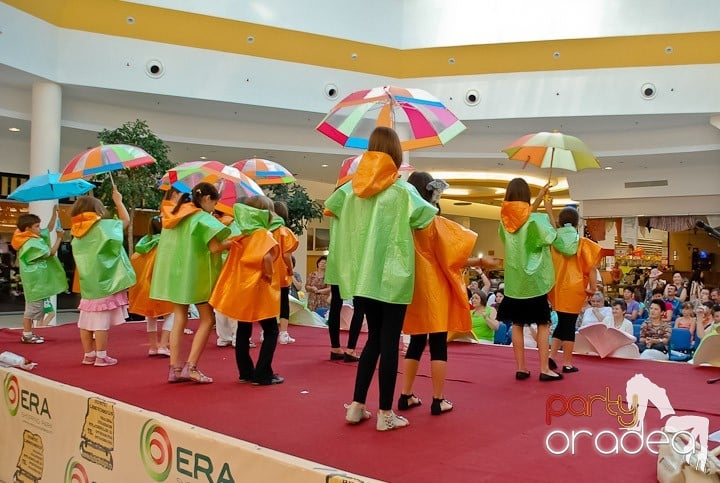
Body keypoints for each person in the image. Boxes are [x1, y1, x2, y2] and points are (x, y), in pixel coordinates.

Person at [325, 126, 437, 431]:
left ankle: (357, 405)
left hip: (361, 277)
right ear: (396, 155)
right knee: (389, 342)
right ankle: (386, 413)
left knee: (374, 340)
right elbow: (428, 218)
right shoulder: (403, 191)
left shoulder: (348, 191)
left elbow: (330, 208)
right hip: (393, 276)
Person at [399, 171, 493, 416]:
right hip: (436, 289)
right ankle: (438, 399)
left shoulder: (403, 221)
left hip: (413, 287)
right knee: (438, 343)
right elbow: (452, 258)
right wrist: (482, 263)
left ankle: (405, 394)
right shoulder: (433, 221)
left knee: (417, 341)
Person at [150, 182, 231, 383]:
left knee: (179, 318)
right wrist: (234, 243)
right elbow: (214, 248)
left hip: (176, 277)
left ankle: (174, 369)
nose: (215, 207)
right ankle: (191, 367)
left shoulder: (173, 215)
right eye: (215, 202)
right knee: (207, 319)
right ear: (206, 199)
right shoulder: (201, 218)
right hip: (196, 276)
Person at [209, 195, 284, 385]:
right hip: (259, 288)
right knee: (271, 330)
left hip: (242, 287)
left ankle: (245, 372)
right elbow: (266, 258)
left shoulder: (242, 235)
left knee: (243, 329)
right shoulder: (262, 234)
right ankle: (263, 373)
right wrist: (268, 274)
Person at [496, 177, 561, 381]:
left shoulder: (503, 222)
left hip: (515, 283)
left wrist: (540, 198)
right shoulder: (536, 220)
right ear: (526, 196)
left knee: (517, 324)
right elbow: (553, 237)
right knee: (543, 324)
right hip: (534, 282)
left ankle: (521, 368)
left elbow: (520, 220)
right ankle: (544, 368)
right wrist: (549, 211)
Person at [70, 188, 136, 366]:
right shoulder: (104, 227)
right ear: (97, 210)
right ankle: (101, 355)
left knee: (85, 320)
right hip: (105, 280)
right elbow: (125, 221)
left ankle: (88, 354)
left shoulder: (76, 232)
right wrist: (118, 201)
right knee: (101, 323)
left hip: (88, 283)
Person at [546, 206, 601, 374]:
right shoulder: (583, 243)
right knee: (569, 325)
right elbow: (591, 268)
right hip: (575, 288)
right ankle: (567, 363)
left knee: (562, 323)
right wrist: (593, 288)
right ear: (577, 224)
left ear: (560, 223)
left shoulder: (554, 240)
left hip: (556, 288)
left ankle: (552, 356)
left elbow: (553, 229)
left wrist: (549, 210)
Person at [11, 209, 67, 344]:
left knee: (34, 309)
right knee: (31, 311)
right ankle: (27, 335)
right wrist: (59, 237)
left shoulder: (28, 237)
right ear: (27, 228)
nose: (39, 228)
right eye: (36, 226)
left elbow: (47, 229)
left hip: (36, 282)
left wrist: (54, 214)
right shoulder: (31, 243)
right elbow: (51, 253)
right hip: (35, 283)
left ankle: (29, 334)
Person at [128, 215, 175, 357]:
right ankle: (163, 345)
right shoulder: (167, 244)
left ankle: (153, 347)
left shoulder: (143, 246)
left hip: (145, 286)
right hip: (163, 285)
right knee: (171, 314)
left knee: (151, 316)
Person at [270, 200, 299, 345]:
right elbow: (287, 255)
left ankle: (266, 332)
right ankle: (283, 333)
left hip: (268, 271)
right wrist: (290, 269)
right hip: (281, 272)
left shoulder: (265, 230)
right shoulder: (285, 231)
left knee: (269, 303)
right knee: (283, 303)